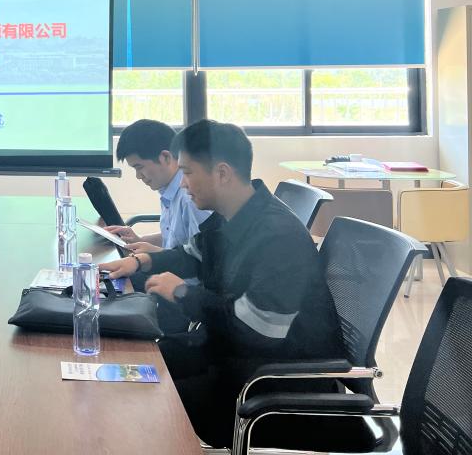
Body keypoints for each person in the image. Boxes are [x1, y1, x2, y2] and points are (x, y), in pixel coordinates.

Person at [100, 120, 344, 448]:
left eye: (188, 172)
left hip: (268, 382)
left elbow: (257, 328)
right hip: (228, 353)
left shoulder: (277, 236)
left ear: (222, 173)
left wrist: (183, 293)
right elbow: (191, 254)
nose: (183, 183)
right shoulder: (234, 216)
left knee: (142, 396)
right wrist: (141, 261)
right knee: (132, 363)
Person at [102, 119, 211, 253]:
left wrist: (154, 254)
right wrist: (139, 240)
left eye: (139, 167)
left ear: (165, 157)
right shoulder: (168, 191)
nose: (138, 176)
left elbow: (204, 255)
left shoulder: (190, 198)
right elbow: (176, 239)